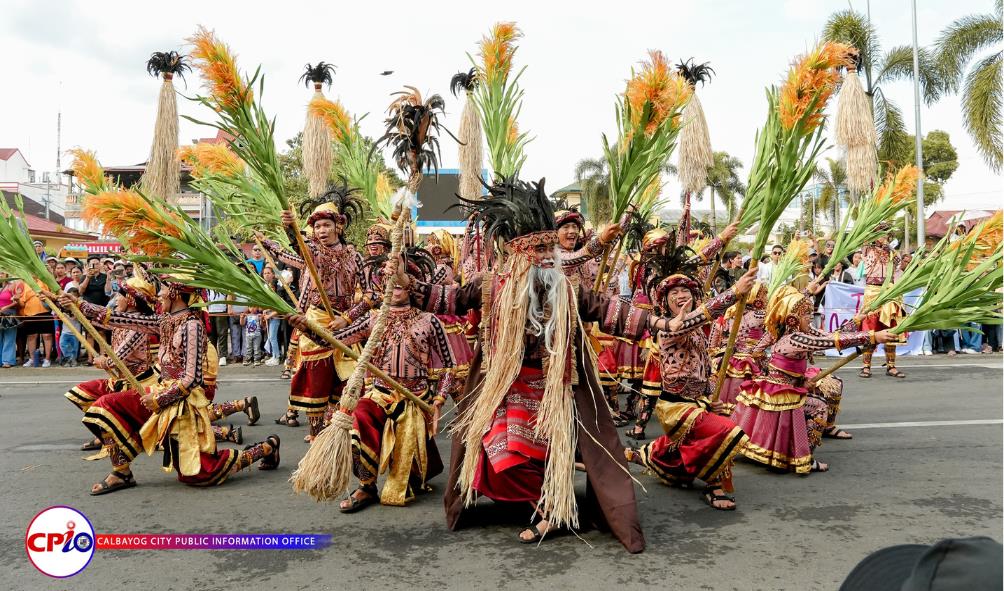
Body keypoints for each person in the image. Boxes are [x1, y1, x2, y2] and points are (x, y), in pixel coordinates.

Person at [397, 177, 654, 551]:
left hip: (556, 390)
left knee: (544, 454)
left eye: (552, 248)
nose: (550, 256)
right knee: (495, 457)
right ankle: (554, 503)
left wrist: (663, 324)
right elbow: (447, 299)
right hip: (505, 390)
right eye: (541, 249)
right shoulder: (491, 286)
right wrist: (409, 284)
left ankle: (554, 508)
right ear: (519, 255)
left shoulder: (568, 289)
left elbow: (610, 311)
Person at [49, 279, 280, 495]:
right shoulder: (165, 321)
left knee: (201, 475)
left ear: (176, 292)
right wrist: (76, 303)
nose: (159, 294)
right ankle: (122, 472)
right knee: (105, 405)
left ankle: (266, 448)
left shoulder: (192, 326)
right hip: (159, 393)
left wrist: (159, 400)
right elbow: (118, 318)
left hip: (181, 404)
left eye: (163, 289)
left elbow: (192, 378)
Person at [294, 248, 458, 511]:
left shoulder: (429, 321)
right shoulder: (372, 320)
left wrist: (439, 400)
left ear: (410, 286)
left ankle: (417, 469)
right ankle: (366, 486)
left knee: (409, 481)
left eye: (398, 282)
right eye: (386, 282)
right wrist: (304, 325)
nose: (392, 286)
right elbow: (332, 340)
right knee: (358, 417)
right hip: (379, 393)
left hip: (415, 399)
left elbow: (450, 365)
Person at [624, 241, 758, 511]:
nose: (681, 294)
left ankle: (645, 456)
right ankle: (714, 485)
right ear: (664, 301)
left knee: (686, 447)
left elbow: (703, 367)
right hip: (674, 407)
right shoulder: (670, 329)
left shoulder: (699, 331)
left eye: (686, 289)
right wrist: (733, 292)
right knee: (726, 432)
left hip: (697, 403)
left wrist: (710, 399)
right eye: (674, 292)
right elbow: (694, 318)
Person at [731, 286, 896, 474]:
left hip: (785, 385)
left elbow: (831, 336)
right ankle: (804, 458)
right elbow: (832, 342)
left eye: (810, 313)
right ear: (793, 318)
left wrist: (857, 321)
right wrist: (873, 336)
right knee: (820, 406)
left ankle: (818, 432)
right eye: (806, 314)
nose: (811, 317)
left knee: (831, 385)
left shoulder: (794, 332)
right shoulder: (797, 338)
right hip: (782, 392)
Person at [258, 185, 370, 440]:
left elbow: (371, 296)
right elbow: (297, 248)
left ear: (338, 226)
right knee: (315, 380)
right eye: (317, 227)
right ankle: (316, 434)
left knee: (349, 380)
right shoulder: (313, 253)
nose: (321, 231)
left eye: (326, 226)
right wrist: (289, 227)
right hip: (315, 320)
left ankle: (340, 430)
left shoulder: (355, 255)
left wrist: (348, 317)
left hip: (346, 323)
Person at [64, 275, 161, 452]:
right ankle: (106, 434)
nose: (116, 299)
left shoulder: (138, 325)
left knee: (102, 406)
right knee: (80, 392)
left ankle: (115, 437)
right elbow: (95, 320)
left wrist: (105, 361)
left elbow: (117, 359)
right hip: (119, 381)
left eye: (120, 295)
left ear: (131, 300)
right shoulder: (124, 318)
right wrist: (68, 304)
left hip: (137, 384)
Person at [859, 228, 906, 378]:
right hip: (872, 290)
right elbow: (863, 238)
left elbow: (898, 262)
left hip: (889, 291)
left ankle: (891, 366)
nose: (882, 237)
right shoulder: (867, 249)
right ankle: (866, 366)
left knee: (891, 328)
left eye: (885, 234)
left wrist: (888, 246)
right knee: (870, 328)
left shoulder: (892, 251)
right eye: (879, 234)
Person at [15, 278, 54, 367]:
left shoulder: (44, 280)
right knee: (31, 336)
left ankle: (47, 359)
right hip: (29, 313)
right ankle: (32, 358)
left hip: (45, 311)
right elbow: (22, 304)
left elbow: (52, 296)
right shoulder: (25, 283)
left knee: (47, 336)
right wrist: (17, 300)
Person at [58, 287, 82, 367]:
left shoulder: (79, 306)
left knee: (74, 347)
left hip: (75, 331)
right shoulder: (63, 306)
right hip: (65, 331)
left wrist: (66, 316)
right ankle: (68, 357)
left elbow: (75, 317)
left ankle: (73, 360)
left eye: (74, 296)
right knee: (62, 344)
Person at [0, 272, 19, 368]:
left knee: (9, 338)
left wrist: (5, 307)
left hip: (9, 313)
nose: (0, 275)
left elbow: (17, 301)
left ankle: (7, 360)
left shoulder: (12, 286)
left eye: (2, 273)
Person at [206, 290, 229, 366]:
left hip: (221, 310)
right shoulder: (207, 287)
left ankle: (223, 356)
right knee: (211, 335)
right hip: (209, 311)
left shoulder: (222, 285)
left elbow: (228, 296)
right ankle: (213, 356)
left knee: (222, 333)